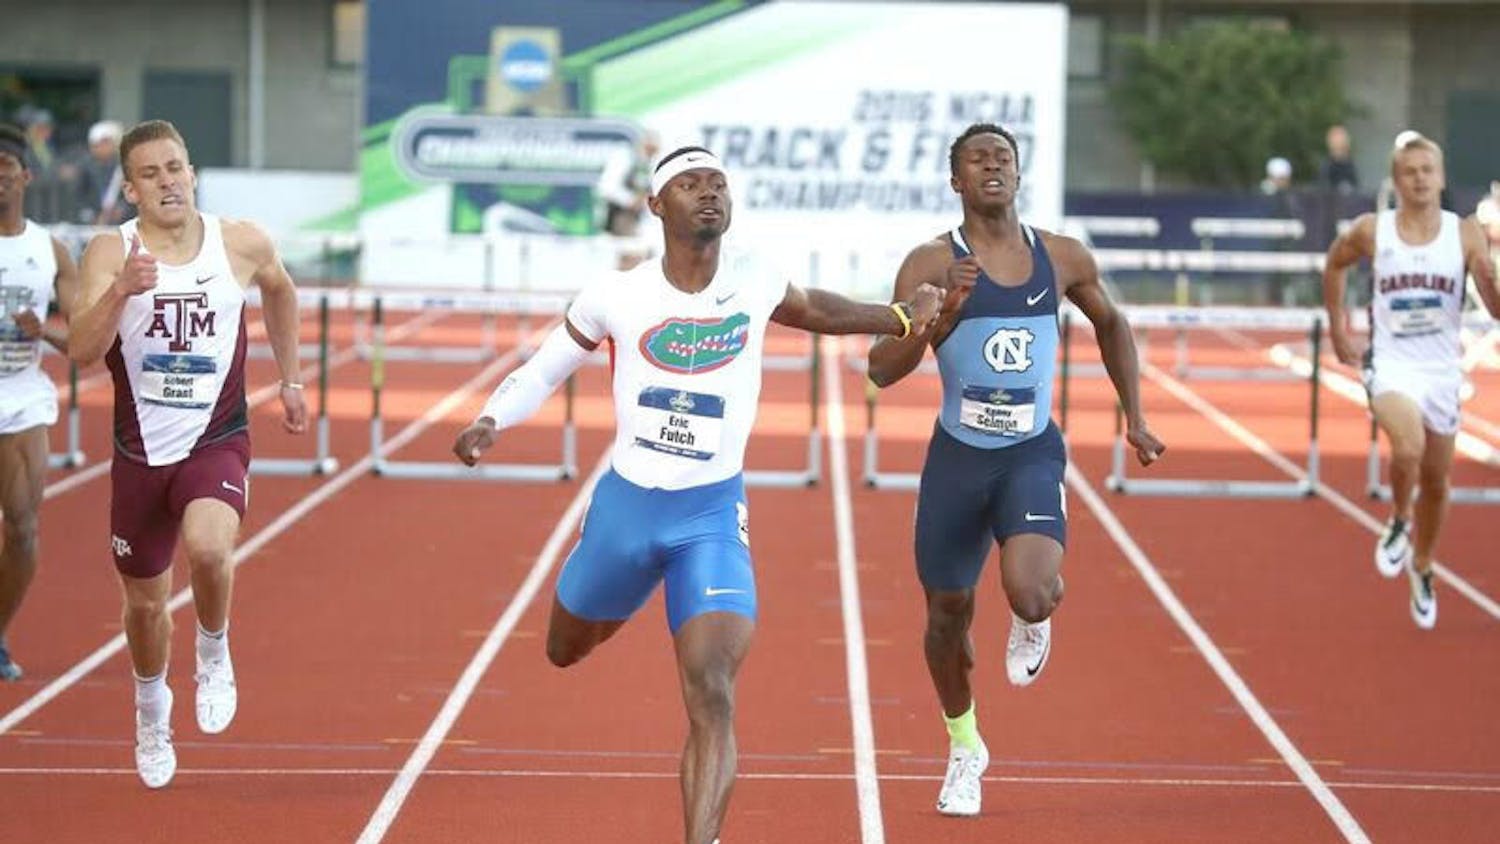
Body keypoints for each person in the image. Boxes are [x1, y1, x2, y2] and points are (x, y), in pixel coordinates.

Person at [452, 145, 944, 844]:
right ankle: (623, 585)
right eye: (689, 184)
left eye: (718, 183)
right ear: (657, 205)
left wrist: (899, 318)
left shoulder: (756, 279)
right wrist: (490, 419)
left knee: (712, 689)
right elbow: (544, 369)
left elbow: (822, 311)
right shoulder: (616, 294)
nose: (709, 193)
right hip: (626, 511)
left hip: (709, 517)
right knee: (564, 647)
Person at [866, 123, 1166, 818]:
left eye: (1003, 158)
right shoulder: (930, 264)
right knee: (946, 616)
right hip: (957, 460)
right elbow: (882, 369)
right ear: (956, 181)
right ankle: (965, 745)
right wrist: (939, 321)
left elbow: (1112, 324)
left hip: (1030, 450)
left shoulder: (1059, 257)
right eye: (978, 160)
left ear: (1018, 173)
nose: (992, 167)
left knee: (1031, 593)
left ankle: (1034, 618)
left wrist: (1137, 414)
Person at [69, 120, 308, 788]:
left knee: (208, 550)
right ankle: (151, 710)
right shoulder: (109, 252)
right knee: (145, 607)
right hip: (140, 453)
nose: (167, 181)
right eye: (151, 173)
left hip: (216, 437)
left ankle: (213, 651)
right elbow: (83, 352)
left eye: (175, 167)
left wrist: (290, 381)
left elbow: (281, 290)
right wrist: (121, 291)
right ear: (130, 187)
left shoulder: (240, 241)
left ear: (193, 172)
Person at [1322, 131, 1500, 630]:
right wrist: (1338, 327)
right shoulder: (1371, 230)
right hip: (1392, 364)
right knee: (1408, 448)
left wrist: (1490, 282)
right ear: (1397, 180)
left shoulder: (1463, 233)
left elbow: (1494, 304)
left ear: (1441, 178)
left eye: (1428, 170)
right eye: (1410, 171)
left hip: (1442, 369)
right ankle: (1400, 518)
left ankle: (1422, 566)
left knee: (1438, 484)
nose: (1420, 179)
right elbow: (1334, 263)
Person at [0, 123, 79, 681]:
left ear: (24, 176)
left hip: (22, 398)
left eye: (4, 170)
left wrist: (43, 331)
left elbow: (85, 340)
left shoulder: (48, 250)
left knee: (23, 528)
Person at [77, 120, 129, 226]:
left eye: (106, 143)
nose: (102, 148)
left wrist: (121, 209)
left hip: (120, 223)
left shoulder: (124, 166)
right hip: (92, 223)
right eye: (97, 144)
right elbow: (79, 196)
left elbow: (131, 195)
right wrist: (89, 216)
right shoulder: (86, 167)